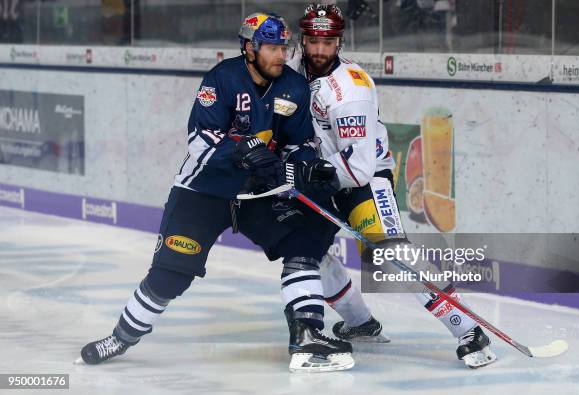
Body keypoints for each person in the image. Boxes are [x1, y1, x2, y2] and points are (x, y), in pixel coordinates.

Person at [77, 12, 354, 373]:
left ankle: (306, 335)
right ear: (249, 48)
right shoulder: (221, 80)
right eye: (271, 47)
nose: (281, 55)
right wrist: (241, 152)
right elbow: (199, 142)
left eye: (283, 47)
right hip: (204, 192)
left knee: (303, 242)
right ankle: (121, 336)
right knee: (170, 276)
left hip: (258, 195)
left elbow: (297, 143)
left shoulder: (294, 88)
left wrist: (306, 163)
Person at [288, 3, 496, 368]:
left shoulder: (349, 89)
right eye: (313, 41)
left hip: (361, 180)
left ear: (340, 42)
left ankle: (468, 330)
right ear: (303, 39)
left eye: (329, 41)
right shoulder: (291, 74)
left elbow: (359, 168)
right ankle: (361, 324)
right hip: (319, 175)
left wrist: (308, 173)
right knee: (311, 252)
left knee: (392, 256)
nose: (320, 50)